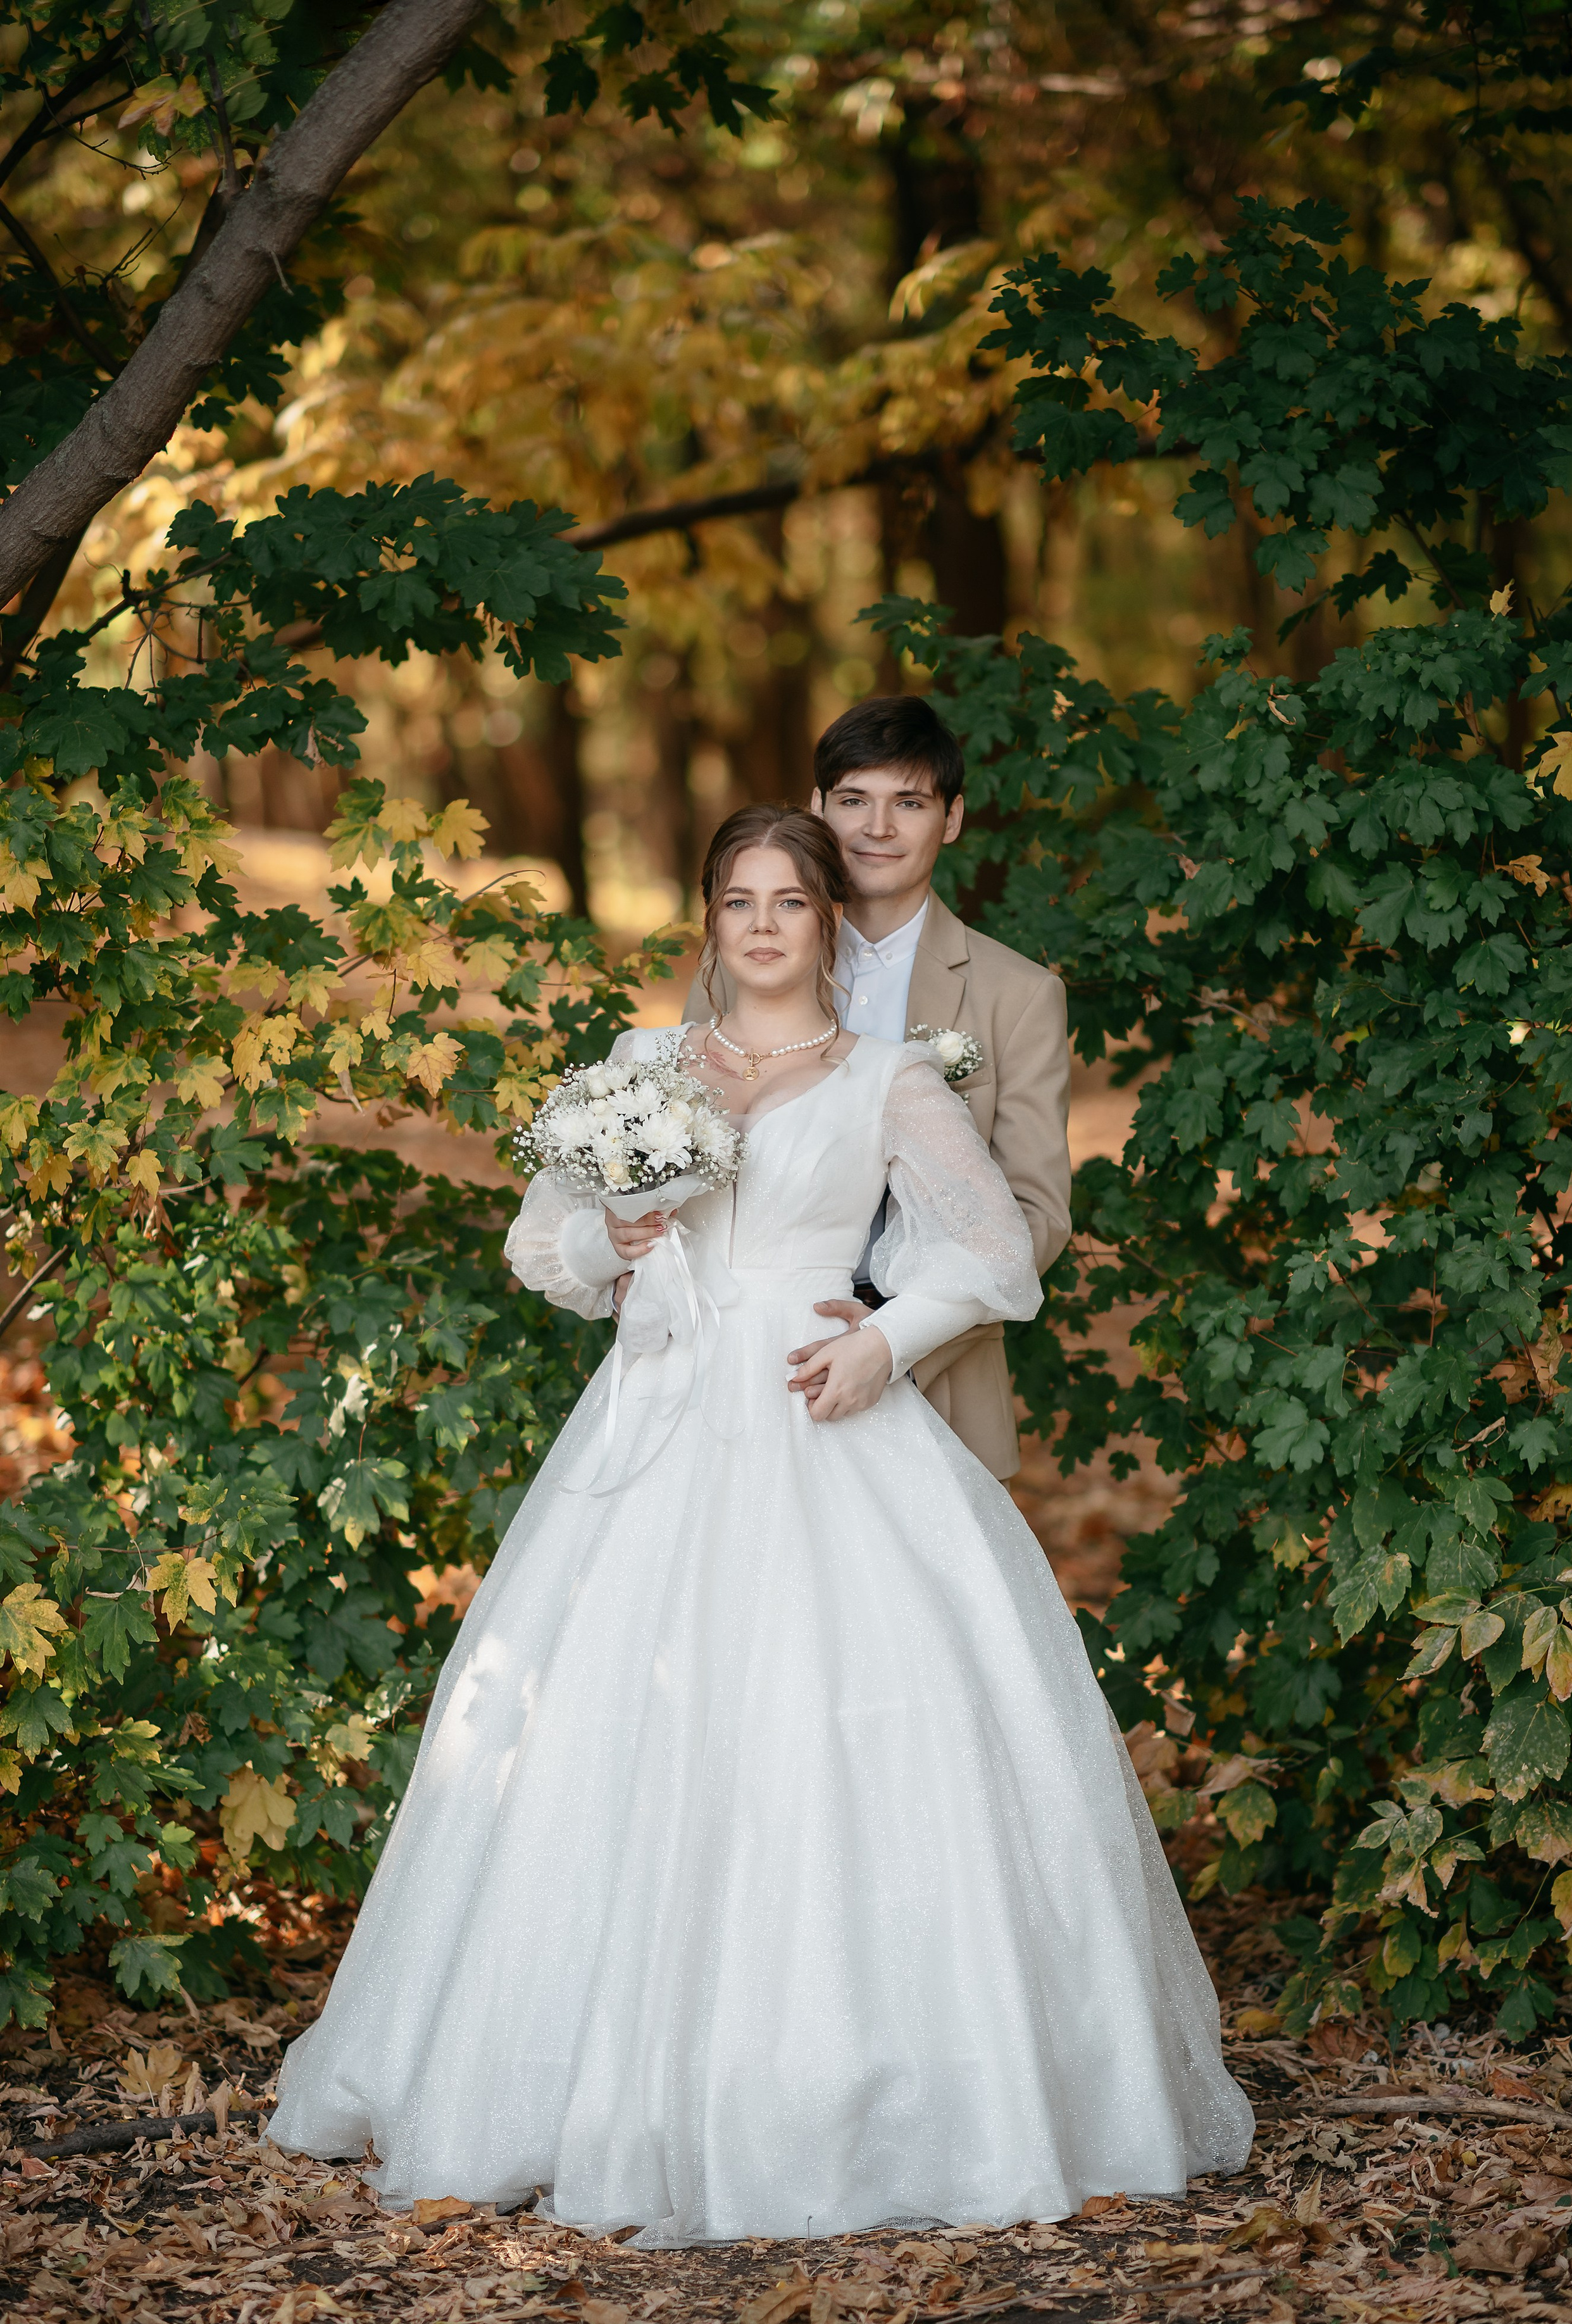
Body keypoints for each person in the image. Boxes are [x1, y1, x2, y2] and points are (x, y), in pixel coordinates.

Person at [265, 804, 1252, 2241]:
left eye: (793, 897)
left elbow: (986, 1247)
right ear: (709, 921)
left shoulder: (885, 1083)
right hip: (655, 1415)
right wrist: (605, 1243)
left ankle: (869, 2083)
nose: (767, 921)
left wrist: (885, 1337)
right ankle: (572, 2078)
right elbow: (533, 1239)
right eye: (740, 898)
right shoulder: (636, 1071)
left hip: (817, 1406)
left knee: (835, 1720)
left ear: (830, 922)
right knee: (609, 1722)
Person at [683, 696, 1071, 1479]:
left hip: (936, 1370)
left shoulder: (1016, 994)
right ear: (818, 808)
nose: (877, 829)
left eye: (910, 803)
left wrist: (892, 1337)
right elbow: (690, 1156)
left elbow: (1035, 1215)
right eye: (853, 800)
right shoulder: (737, 966)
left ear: (952, 819)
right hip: (745, 1368)